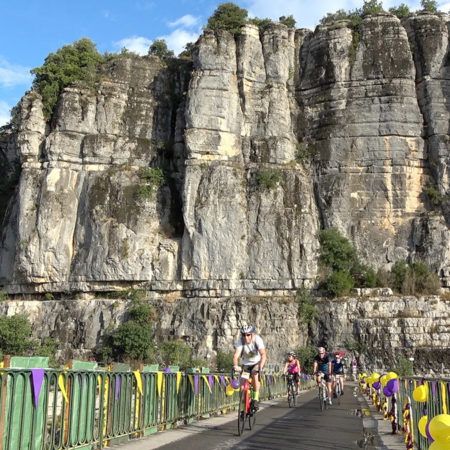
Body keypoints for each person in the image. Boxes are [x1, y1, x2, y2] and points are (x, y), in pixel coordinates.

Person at [233, 325, 267, 410]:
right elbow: (236, 356)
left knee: (255, 374)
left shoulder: (257, 340)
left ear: (252, 334)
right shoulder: (240, 341)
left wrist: (260, 367)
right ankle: (244, 408)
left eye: (248, 335)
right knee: (242, 387)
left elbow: (263, 354)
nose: (246, 337)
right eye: (244, 335)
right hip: (246, 365)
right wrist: (236, 366)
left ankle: (255, 398)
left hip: (256, 363)